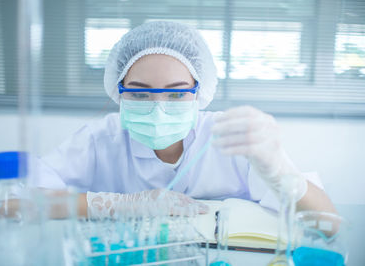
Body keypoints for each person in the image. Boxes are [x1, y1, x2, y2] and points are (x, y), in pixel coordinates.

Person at [31, 21, 336, 217]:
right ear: (118, 92)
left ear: (199, 92)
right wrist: (118, 206)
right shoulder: (100, 139)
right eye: (139, 94)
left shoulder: (231, 137)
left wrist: (282, 173)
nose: (158, 107)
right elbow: (14, 202)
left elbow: (330, 222)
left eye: (177, 94)